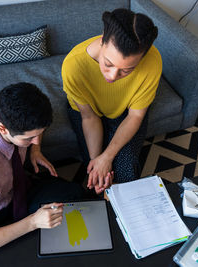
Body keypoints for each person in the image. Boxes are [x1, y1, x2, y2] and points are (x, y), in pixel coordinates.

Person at [0, 83, 83, 258]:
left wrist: (35, 150)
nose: (35, 140)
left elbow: (35, 132)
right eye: (28, 138)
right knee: (28, 252)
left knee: (73, 194)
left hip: (18, 189)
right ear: (2, 128)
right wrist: (32, 222)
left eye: (38, 134)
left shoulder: (12, 119)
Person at [62, 8, 162, 194]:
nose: (113, 75)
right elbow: (89, 118)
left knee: (126, 171)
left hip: (127, 112)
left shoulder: (153, 61)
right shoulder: (73, 65)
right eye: (108, 63)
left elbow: (135, 116)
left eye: (127, 70)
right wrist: (98, 161)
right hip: (87, 113)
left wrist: (108, 157)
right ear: (102, 41)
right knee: (96, 173)